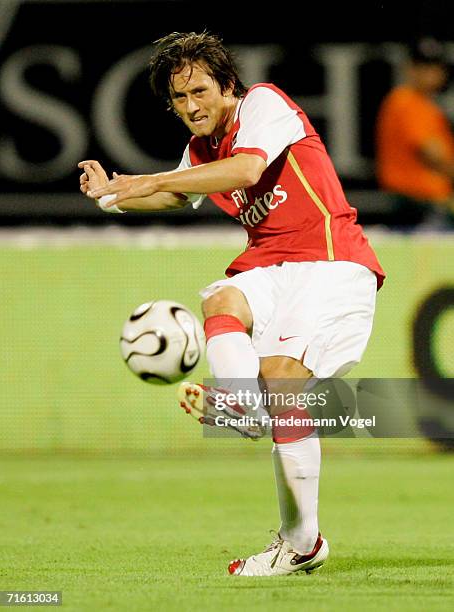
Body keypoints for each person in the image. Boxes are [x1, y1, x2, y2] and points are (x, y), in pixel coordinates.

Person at [79, 31, 385, 577]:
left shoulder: (264, 103)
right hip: (270, 266)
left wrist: (141, 179)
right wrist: (111, 195)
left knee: (284, 380)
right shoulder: (199, 150)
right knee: (223, 299)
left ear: (226, 85)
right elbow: (177, 194)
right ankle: (245, 411)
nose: (192, 106)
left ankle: (296, 534)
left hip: (332, 261)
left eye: (200, 91)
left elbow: (244, 171)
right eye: (179, 99)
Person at [376, 37, 454, 230]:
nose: (429, 74)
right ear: (409, 68)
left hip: (429, 206)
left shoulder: (428, 105)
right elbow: (434, 155)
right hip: (415, 206)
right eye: (421, 67)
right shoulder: (404, 101)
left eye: (434, 67)